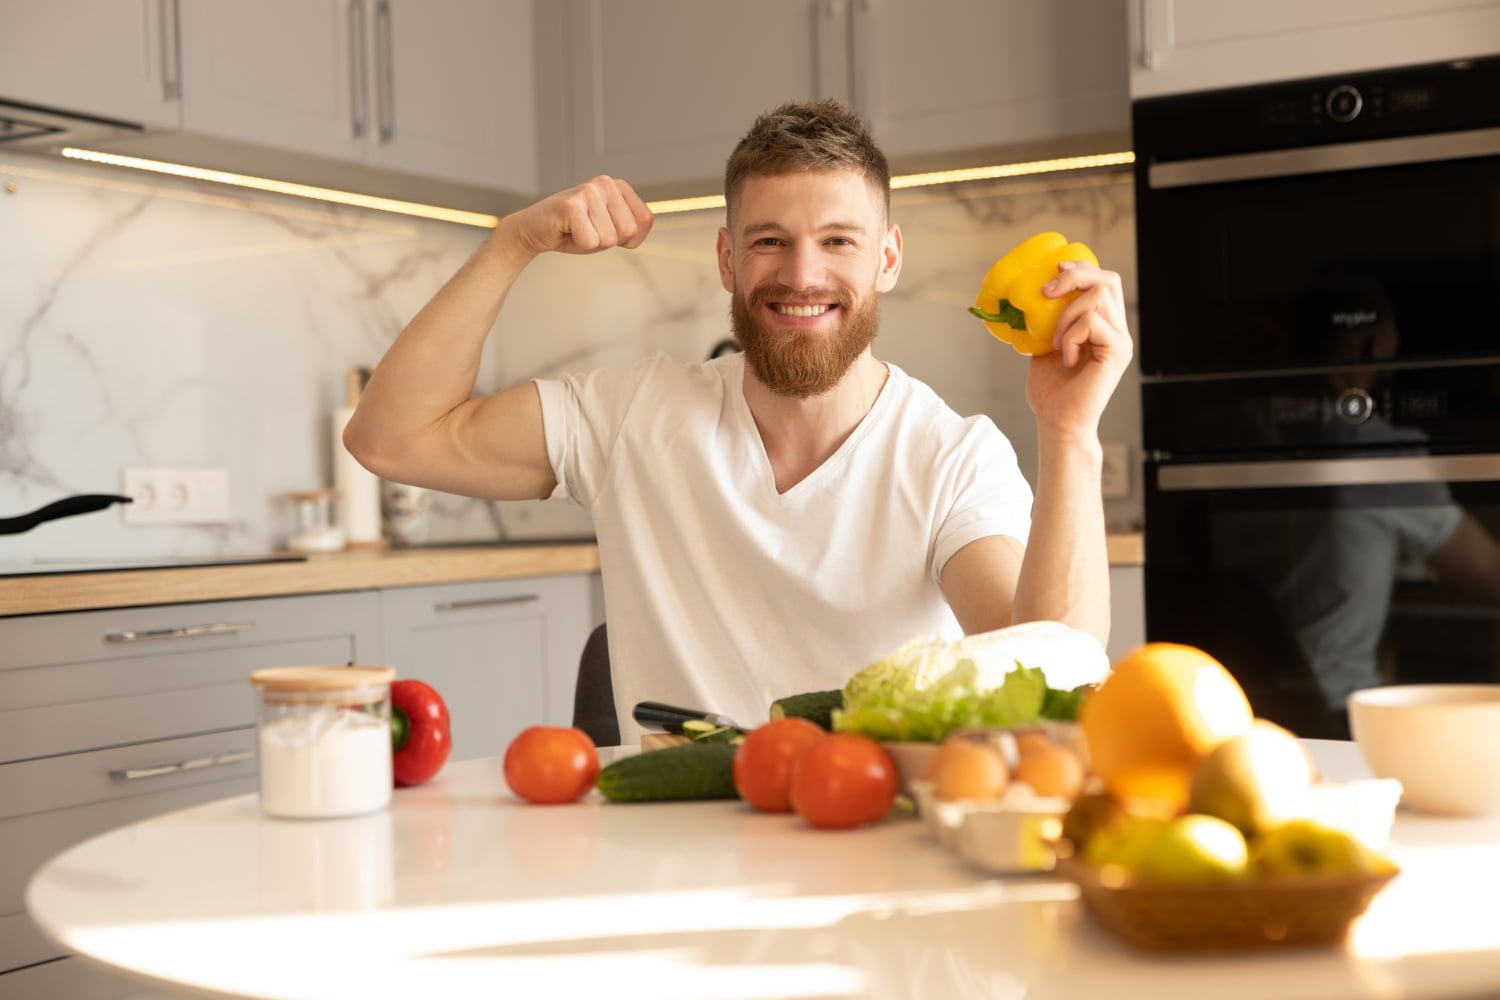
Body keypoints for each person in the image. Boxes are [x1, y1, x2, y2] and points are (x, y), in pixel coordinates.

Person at [344, 100, 1133, 737]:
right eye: (769, 241)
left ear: (887, 258)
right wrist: (511, 243)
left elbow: (1054, 661)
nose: (802, 274)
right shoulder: (631, 418)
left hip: (865, 855)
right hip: (666, 861)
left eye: (837, 241)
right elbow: (391, 438)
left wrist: (1069, 433)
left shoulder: (949, 456)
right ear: (727, 259)